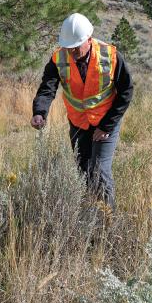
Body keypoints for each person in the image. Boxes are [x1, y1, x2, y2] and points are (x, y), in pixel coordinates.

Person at [31, 13, 134, 208]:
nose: (72, 52)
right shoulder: (58, 57)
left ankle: (107, 220)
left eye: (76, 47)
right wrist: (39, 112)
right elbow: (47, 88)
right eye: (69, 48)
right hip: (78, 123)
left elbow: (126, 92)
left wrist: (106, 125)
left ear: (89, 39)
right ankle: (91, 215)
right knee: (83, 171)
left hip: (106, 122)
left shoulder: (110, 55)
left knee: (100, 170)